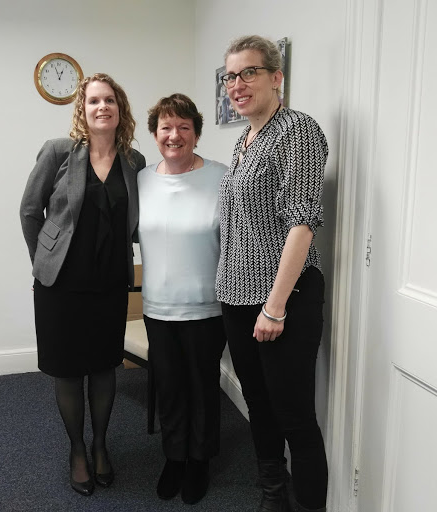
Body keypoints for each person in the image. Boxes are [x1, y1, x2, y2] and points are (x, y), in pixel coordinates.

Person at [216, 36, 329, 512]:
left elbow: (301, 223)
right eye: (230, 76)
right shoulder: (244, 140)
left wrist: (275, 307)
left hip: (284, 300)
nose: (237, 85)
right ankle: (272, 495)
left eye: (249, 73)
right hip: (238, 299)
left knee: (294, 416)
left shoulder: (297, 131)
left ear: (276, 77)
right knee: (258, 406)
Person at [20, 73, 145, 496]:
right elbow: (29, 210)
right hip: (61, 285)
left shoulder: (134, 161)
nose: (102, 107)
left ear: (119, 108)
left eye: (109, 100)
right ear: (83, 109)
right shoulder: (59, 152)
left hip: (110, 282)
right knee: (69, 370)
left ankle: (101, 445)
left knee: (104, 366)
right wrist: (44, 261)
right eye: (93, 101)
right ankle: (77, 449)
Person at [138, 94, 227, 505]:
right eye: (166, 128)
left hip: (208, 306)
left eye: (184, 127)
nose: (174, 135)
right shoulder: (141, 181)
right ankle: (174, 457)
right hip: (157, 306)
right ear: (155, 133)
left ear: (196, 133)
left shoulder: (222, 177)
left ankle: (200, 459)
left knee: (202, 386)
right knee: (171, 388)